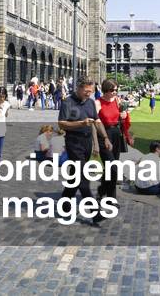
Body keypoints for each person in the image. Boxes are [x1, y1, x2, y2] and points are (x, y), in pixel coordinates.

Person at [58, 77, 110, 225]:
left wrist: (104, 138)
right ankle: (95, 212)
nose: (89, 94)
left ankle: (65, 202)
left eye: (91, 91)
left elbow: (96, 121)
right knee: (82, 177)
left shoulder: (91, 103)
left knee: (75, 175)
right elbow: (61, 124)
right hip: (74, 142)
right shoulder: (68, 102)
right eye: (87, 91)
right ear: (79, 88)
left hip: (87, 142)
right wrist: (80, 123)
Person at [96, 79, 131, 200]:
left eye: (116, 90)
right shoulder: (98, 103)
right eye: (112, 90)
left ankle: (102, 192)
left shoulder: (117, 100)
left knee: (111, 168)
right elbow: (94, 122)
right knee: (113, 168)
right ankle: (110, 198)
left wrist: (124, 116)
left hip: (116, 134)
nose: (115, 92)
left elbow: (123, 117)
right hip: (104, 135)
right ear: (105, 90)